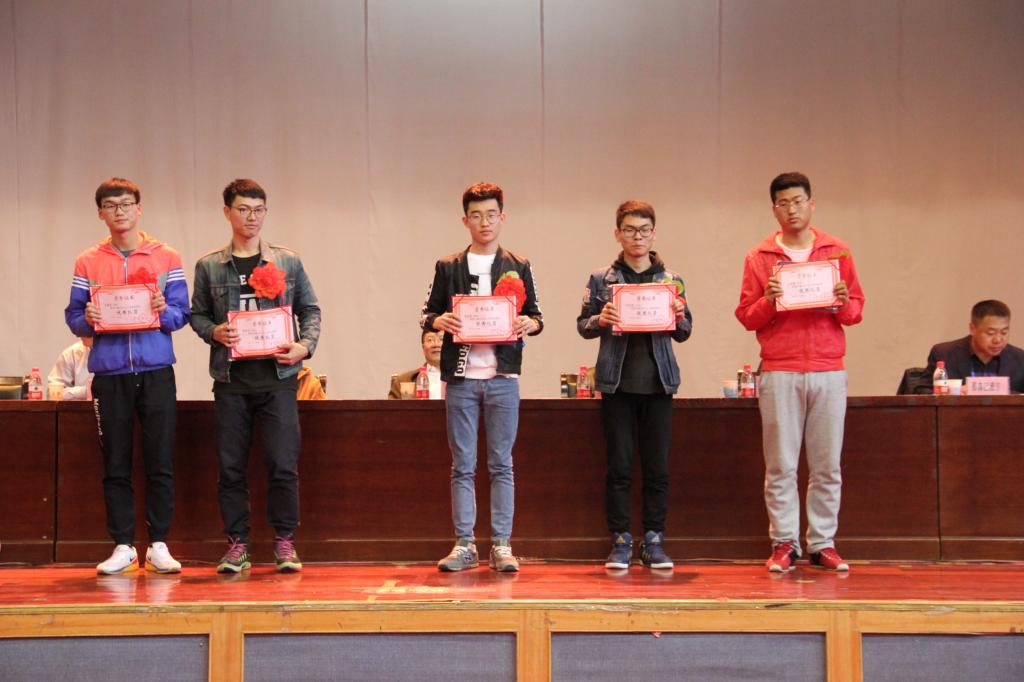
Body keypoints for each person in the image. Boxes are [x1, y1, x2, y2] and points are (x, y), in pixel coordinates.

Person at [735, 172, 865, 573]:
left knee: (827, 465)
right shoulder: (759, 257)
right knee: (781, 466)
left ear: (812, 204)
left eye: (798, 201)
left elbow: (855, 311)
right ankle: (784, 543)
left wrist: (841, 302)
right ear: (773, 209)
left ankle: (822, 543)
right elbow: (746, 316)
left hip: (828, 369)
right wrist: (768, 301)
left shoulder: (837, 252)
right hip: (780, 369)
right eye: (783, 203)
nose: (792, 209)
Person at [190, 179, 321, 574]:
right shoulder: (210, 265)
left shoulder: (287, 261)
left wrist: (304, 346)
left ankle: (285, 542)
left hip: (278, 379)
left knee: (283, 464)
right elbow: (197, 314)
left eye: (259, 210)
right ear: (227, 212)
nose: (252, 217)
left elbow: (310, 309)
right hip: (231, 381)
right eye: (243, 209)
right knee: (230, 467)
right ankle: (237, 545)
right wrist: (213, 331)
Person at [64, 177, 190, 575]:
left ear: (139, 208)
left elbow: (181, 314)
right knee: (115, 462)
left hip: (156, 371)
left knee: (160, 459)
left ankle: (159, 544)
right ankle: (123, 545)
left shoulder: (166, 256)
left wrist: (162, 310)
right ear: (100, 213)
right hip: (110, 373)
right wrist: (87, 318)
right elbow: (73, 316)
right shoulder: (88, 261)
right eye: (111, 205)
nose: (119, 211)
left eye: (126, 204)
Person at [420, 182, 543, 572]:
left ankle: (502, 544)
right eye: (476, 215)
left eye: (491, 214)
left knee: (501, 463)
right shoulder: (448, 266)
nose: (484, 222)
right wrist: (439, 320)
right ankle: (465, 544)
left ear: (502, 217)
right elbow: (427, 314)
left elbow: (537, 316)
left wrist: (529, 323)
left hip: (503, 376)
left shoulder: (518, 264)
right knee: (462, 464)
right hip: (461, 377)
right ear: (465, 220)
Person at [577, 200, 692, 570]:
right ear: (618, 234)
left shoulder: (670, 280)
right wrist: (601, 319)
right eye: (629, 230)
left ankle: (654, 540)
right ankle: (621, 540)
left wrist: (678, 316)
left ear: (653, 233)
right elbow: (582, 325)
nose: (637, 237)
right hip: (617, 385)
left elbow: (685, 331)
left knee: (658, 469)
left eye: (644, 230)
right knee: (620, 468)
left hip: (659, 384)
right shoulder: (602, 279)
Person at [922, 300, 1024, 393]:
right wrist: (952, 391)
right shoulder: (944, 354)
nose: (998, 340)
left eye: (1004, 332)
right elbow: (922, 390)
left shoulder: (1020, 358)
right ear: (972, 329)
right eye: (991, 333)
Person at [388, 329, 444, 399]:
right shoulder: (404, 381)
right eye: (430, 340)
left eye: (442, 339)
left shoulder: (458, 379)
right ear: (423, 348)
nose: (436, 344)